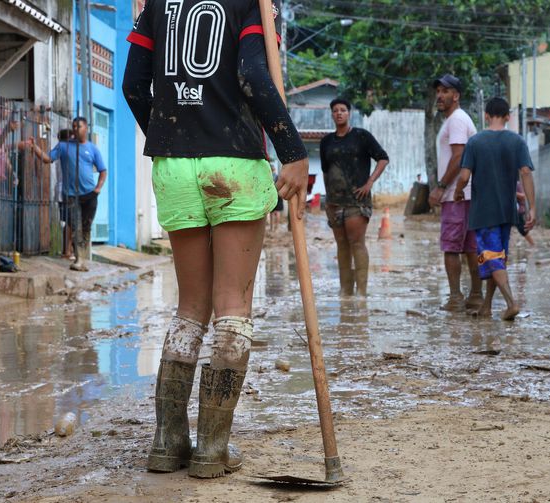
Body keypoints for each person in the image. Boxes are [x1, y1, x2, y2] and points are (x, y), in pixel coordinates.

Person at [122, 0, 309, 479]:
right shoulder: (248, 2)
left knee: (190, 309)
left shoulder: (157, 5)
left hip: (174, 164)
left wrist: (171, 140)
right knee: (232, 309)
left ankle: (167, 443)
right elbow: (252, 76)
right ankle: (211, 449)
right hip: (234, 162)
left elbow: (131, 85)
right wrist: (293, 152)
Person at [455, 97, 536, 321]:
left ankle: (511, 303)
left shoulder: (475, 142)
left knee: (492, 257)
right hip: (507, 211)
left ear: (486, 116)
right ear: (508, 117)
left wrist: (457, 191)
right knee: (497, 258)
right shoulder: (517, 141)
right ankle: (487, 307)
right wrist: (532, 208)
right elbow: (526, 173)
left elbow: (464, 175)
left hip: (484, 211)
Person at [320, 97, 389, 297]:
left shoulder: (361, 136)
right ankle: (345, 291)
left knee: (357, 243)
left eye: (342, 109)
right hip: (335, 202)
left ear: (349, 113)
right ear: (332, 114)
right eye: (335, 110)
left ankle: (362, 292)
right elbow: (326, 172)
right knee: (341, 246)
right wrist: (327, 201)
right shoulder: (326, 142)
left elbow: (383, 158)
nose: (339, 113)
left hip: (357, 201)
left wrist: (369, 183)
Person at [428, 74, 483, 312]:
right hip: (467, 193)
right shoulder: (456, 119)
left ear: (456, 96)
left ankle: (455, 297)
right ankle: (475, 296)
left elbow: (459, 157)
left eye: (445, 91)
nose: (440, 95)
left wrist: (441, 186)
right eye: (438, 91)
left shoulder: (457, 120)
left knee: (451, 247)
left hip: (457, 193)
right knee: (470, 247)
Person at [24, 117, 106, 271]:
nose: (75, 129)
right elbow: (48, 158)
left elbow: (103, 170)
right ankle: (78, 260)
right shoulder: (64, 146)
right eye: (73, 126)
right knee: (75, 227)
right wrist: (35, 147)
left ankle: (83, 257)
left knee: (86, 228)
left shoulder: (92, 149)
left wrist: (98, 189)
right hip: (70, 195)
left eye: (79, 126)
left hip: (89, 195)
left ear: (86, 128)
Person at [515, 181, 535, 246]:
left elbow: (523, 196)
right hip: (510, 210)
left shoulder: (517, 184)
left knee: (522, 229)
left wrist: (513, 193)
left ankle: (533, 245)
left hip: (519, 210)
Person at [269, 163, 283, 232]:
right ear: (274, 169)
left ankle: (271, 228)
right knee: (277, 212)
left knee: (271, 212)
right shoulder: (278, 177)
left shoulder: (268, 177)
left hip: (271, 195)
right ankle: (276, 227)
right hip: (278, 195)